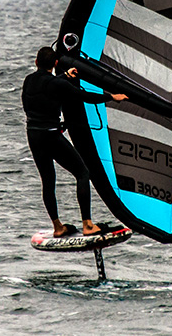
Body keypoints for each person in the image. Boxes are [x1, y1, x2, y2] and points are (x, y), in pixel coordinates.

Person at [22, 46, 128, 237]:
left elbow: (41, 92)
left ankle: (57, 227)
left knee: (48, 180)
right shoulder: (57, 84)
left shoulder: (29, 81)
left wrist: (65, 76)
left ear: (36, 62)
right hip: (51, 136)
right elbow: (84, 96)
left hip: (33, 135)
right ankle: (88, 225)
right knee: (82, 172)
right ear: (55, 64)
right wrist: (112, 97)